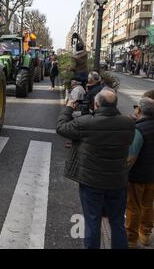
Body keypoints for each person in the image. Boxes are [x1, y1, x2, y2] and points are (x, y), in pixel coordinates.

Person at [56, 89, 136, 249]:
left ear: (96, 104)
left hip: (91, 182)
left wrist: (69, 108)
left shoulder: (85, 123)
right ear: (116, 105)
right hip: (117, 182)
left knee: (92, 222)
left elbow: (61, 127)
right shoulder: (128, 124)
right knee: (117, 223)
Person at [126, 97, 154, 248]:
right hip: (152, 176)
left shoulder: (139, 129)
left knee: (133, 206)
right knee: (148, 204)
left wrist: (123, 173)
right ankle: (146, 235)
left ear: (140, 110)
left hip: (138, 176)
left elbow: (131, 157)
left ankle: (131, 238)